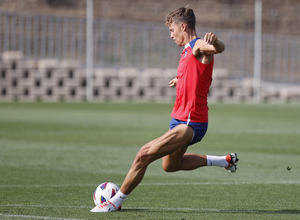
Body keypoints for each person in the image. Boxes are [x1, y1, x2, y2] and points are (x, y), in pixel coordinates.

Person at [91, 6, 238, 213]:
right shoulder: (187, 51)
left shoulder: (197, 45)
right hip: (179, 120)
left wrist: (216, 41)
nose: (171, 35)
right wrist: (181, 79)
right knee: (170, 166)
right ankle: (224, 161)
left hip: (190, 122)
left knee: (143, 155)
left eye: (172, 30)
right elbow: (198, 74)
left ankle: (114, 203)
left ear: (183, 26)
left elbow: (217, 49)